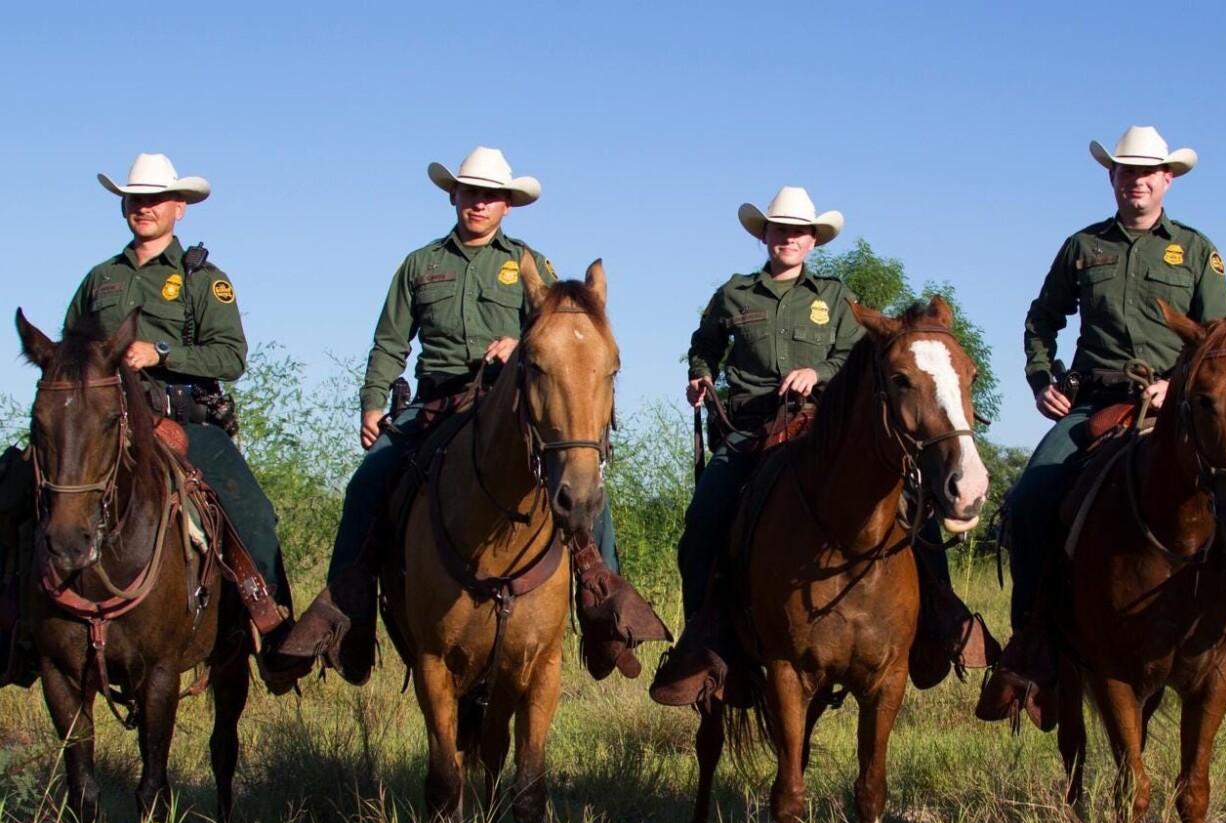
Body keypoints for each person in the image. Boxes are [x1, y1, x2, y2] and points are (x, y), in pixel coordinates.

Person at [279, 147, 656, 686]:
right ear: (453, 195)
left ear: (507, 205)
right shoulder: (420, 265)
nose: (479, 203)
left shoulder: (529, 263)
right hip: (435, 402)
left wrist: (521, 340)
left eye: (491, 196)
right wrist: (373, 400)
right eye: (470, 192)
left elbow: (558, 336)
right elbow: (390, 341)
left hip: (505, 406)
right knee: (366, 484)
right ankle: (348, 618)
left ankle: (601, 608)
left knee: (588, 489)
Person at [976, 126, 1226, 722]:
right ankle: (1035, 640)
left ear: (1168, 179)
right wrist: (1039, 377)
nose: (1137, 180)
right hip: (1094, 403)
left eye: (1148, 171)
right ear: (1112, 178)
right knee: (1030, 501)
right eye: (1126, 171)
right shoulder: (1082, 246)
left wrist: (1176, 383)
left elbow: (1223, 339)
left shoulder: (1197, 250)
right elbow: (1041, 318)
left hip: (1179, 405)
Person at [650, 187, 993, 707]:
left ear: (812, 240)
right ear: (764, 235)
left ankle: (941, 615)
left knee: (912, 504)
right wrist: (700, 375)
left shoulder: (834, 297)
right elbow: (705, 344)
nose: (788, 237)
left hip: (821, 426)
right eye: (779, 228)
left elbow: (861, 359)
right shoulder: (735, 293)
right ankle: (706, 640)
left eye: (798, 231)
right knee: (703, 522)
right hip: (750, 428)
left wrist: (819, 371)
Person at [0, 152, 306, 691]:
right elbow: (69, 354)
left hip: (178, 420)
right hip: (96, 424)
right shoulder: (101, 278)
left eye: (155, 200)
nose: (143, 208)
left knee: (250, 508)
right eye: (135, 199)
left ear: (179, 209)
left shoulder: (203, 280)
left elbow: (230, 357)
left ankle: (268, 624)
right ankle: (14, 628)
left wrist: (160, 351)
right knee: (14, 490)